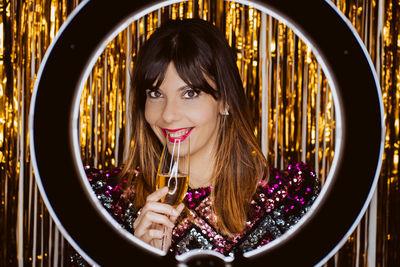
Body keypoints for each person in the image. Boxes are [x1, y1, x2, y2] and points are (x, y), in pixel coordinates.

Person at [70, 18, 319, 265]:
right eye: (156, 94)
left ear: (226, 101)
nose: (168, 115)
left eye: (189, 93)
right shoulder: (105, 204)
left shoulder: (288, 200)